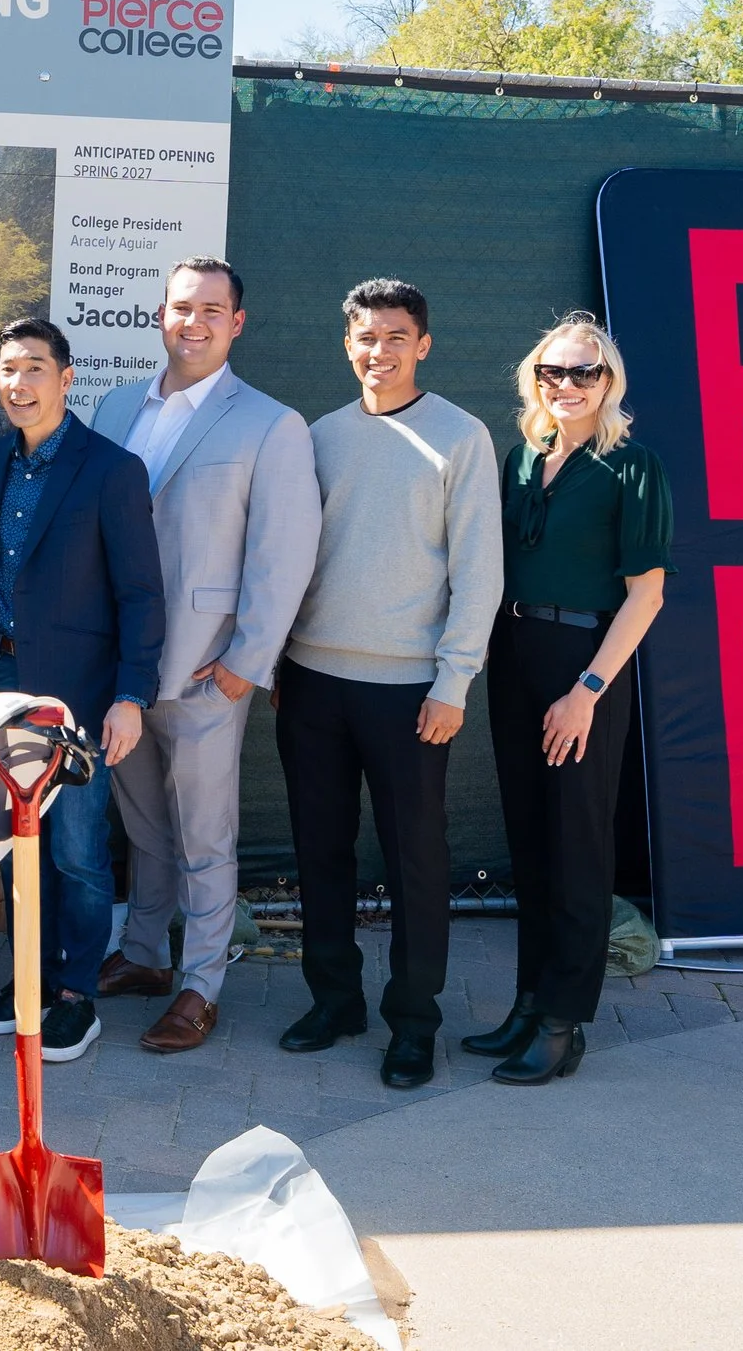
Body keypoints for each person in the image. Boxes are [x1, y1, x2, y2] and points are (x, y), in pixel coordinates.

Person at [88, 259, 320, 1054]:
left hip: (202, 668)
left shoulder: (270, 423)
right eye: (182, 307)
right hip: (120, 668)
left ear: (237, 323)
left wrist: (242, 665)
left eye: (212, 309)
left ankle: (200, 986)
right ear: (161, 314)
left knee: (207, 834)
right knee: (145, 823)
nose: (195, 321)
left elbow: (282, 556)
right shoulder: (117, 406)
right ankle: (147, 954)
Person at [276, 278, 501, 1090]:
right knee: (319, 851)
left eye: (397, 335)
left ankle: (414, 1021)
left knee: (416, 860)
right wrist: (278, 657)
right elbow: (291, 558)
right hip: (309, 681)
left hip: (410, 690)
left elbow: (480, 570)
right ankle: (334, 1000)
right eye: (367, 336)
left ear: (424, 344)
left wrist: (454, 680)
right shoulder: (317, 435)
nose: (381, 350)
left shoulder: (461, 437)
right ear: (348, 344)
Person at [468, 314, 669, 1085]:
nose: (568, 384)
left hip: (585, 665)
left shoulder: (635, 466)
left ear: (608, 382)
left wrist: (587, 689)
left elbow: (645, 596)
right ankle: (527, 1001)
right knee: (531, 840)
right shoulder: (524, 458)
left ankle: (563, 1022)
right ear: (535, 379)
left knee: (579, 846)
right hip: (517, 657)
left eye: (584, 372)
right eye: (554, 371)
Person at [0, 317, 163, 1062]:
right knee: (20, 842)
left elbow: (143, 593)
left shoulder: (112, 469)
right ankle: (28, 983)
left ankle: (77, 994)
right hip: (3, 679)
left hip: (81, 690)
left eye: (36, 368)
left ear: (68, 376)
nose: (20, 383)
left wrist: (131, 695)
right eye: (9, 369)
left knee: (78, 849)